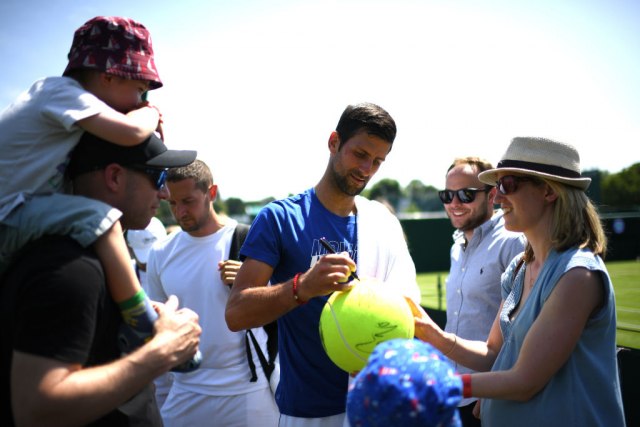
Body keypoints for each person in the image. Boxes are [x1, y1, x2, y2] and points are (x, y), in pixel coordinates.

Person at [225, 102, 421, 427]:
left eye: (377, 161)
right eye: (360, 154)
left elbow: (408, 310)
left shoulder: (381, 221)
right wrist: (302, 287)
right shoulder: (279, 218)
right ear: (334, 143)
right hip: (307, 411)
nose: (367, 169)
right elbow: (236, 313)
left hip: (377, 405)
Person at [407, 137, 625, 426]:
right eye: (496, 187)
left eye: (507, 185)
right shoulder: (519, 267)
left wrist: (436, 386)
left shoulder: (577, 275)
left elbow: (524, 381)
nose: (497, 197)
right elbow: (493, 354)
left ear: (548, 190)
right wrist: (432, 333)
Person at [0, 131, 201, 426]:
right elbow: (37, 408)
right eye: (157, 177)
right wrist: (162, 351)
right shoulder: (72, 267)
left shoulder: (96, 257)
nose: (165, 194)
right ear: (115, 177)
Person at [0, 16, 168, 356]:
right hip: (7, 214)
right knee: (100, 219)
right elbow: (130, 132)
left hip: (13, 213)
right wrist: (153, 114)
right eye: (139, 90)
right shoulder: (59, 93)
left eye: (145, 97)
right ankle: (141, 321)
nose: (139, 101)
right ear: (108, 76)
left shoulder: (66, 112)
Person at [145, 159, 279, 426]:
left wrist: (252, 283)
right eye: (172, 203)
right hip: (185, 392)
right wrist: (160, 398)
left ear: (212, 193)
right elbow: (157, 331)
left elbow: (285, 304)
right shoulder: (160, 253)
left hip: (248, 392)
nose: (180, 212)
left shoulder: (249, 241)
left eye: (188, 201)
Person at [438, 157, 525, 425]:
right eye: (447, 195)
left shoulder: (513, 241)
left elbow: (524, 330)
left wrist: (495, 388)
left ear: (492, 195)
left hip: (488, 396)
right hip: (453, 392)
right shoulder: (457, 246)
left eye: (466, 194)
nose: (455, 203)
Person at [126, 217, 173, 408]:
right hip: (146, 369)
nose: (149, 263)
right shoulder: (124, 272)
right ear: (129, 249)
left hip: (178, 367)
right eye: (143, 257)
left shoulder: (176, 268)